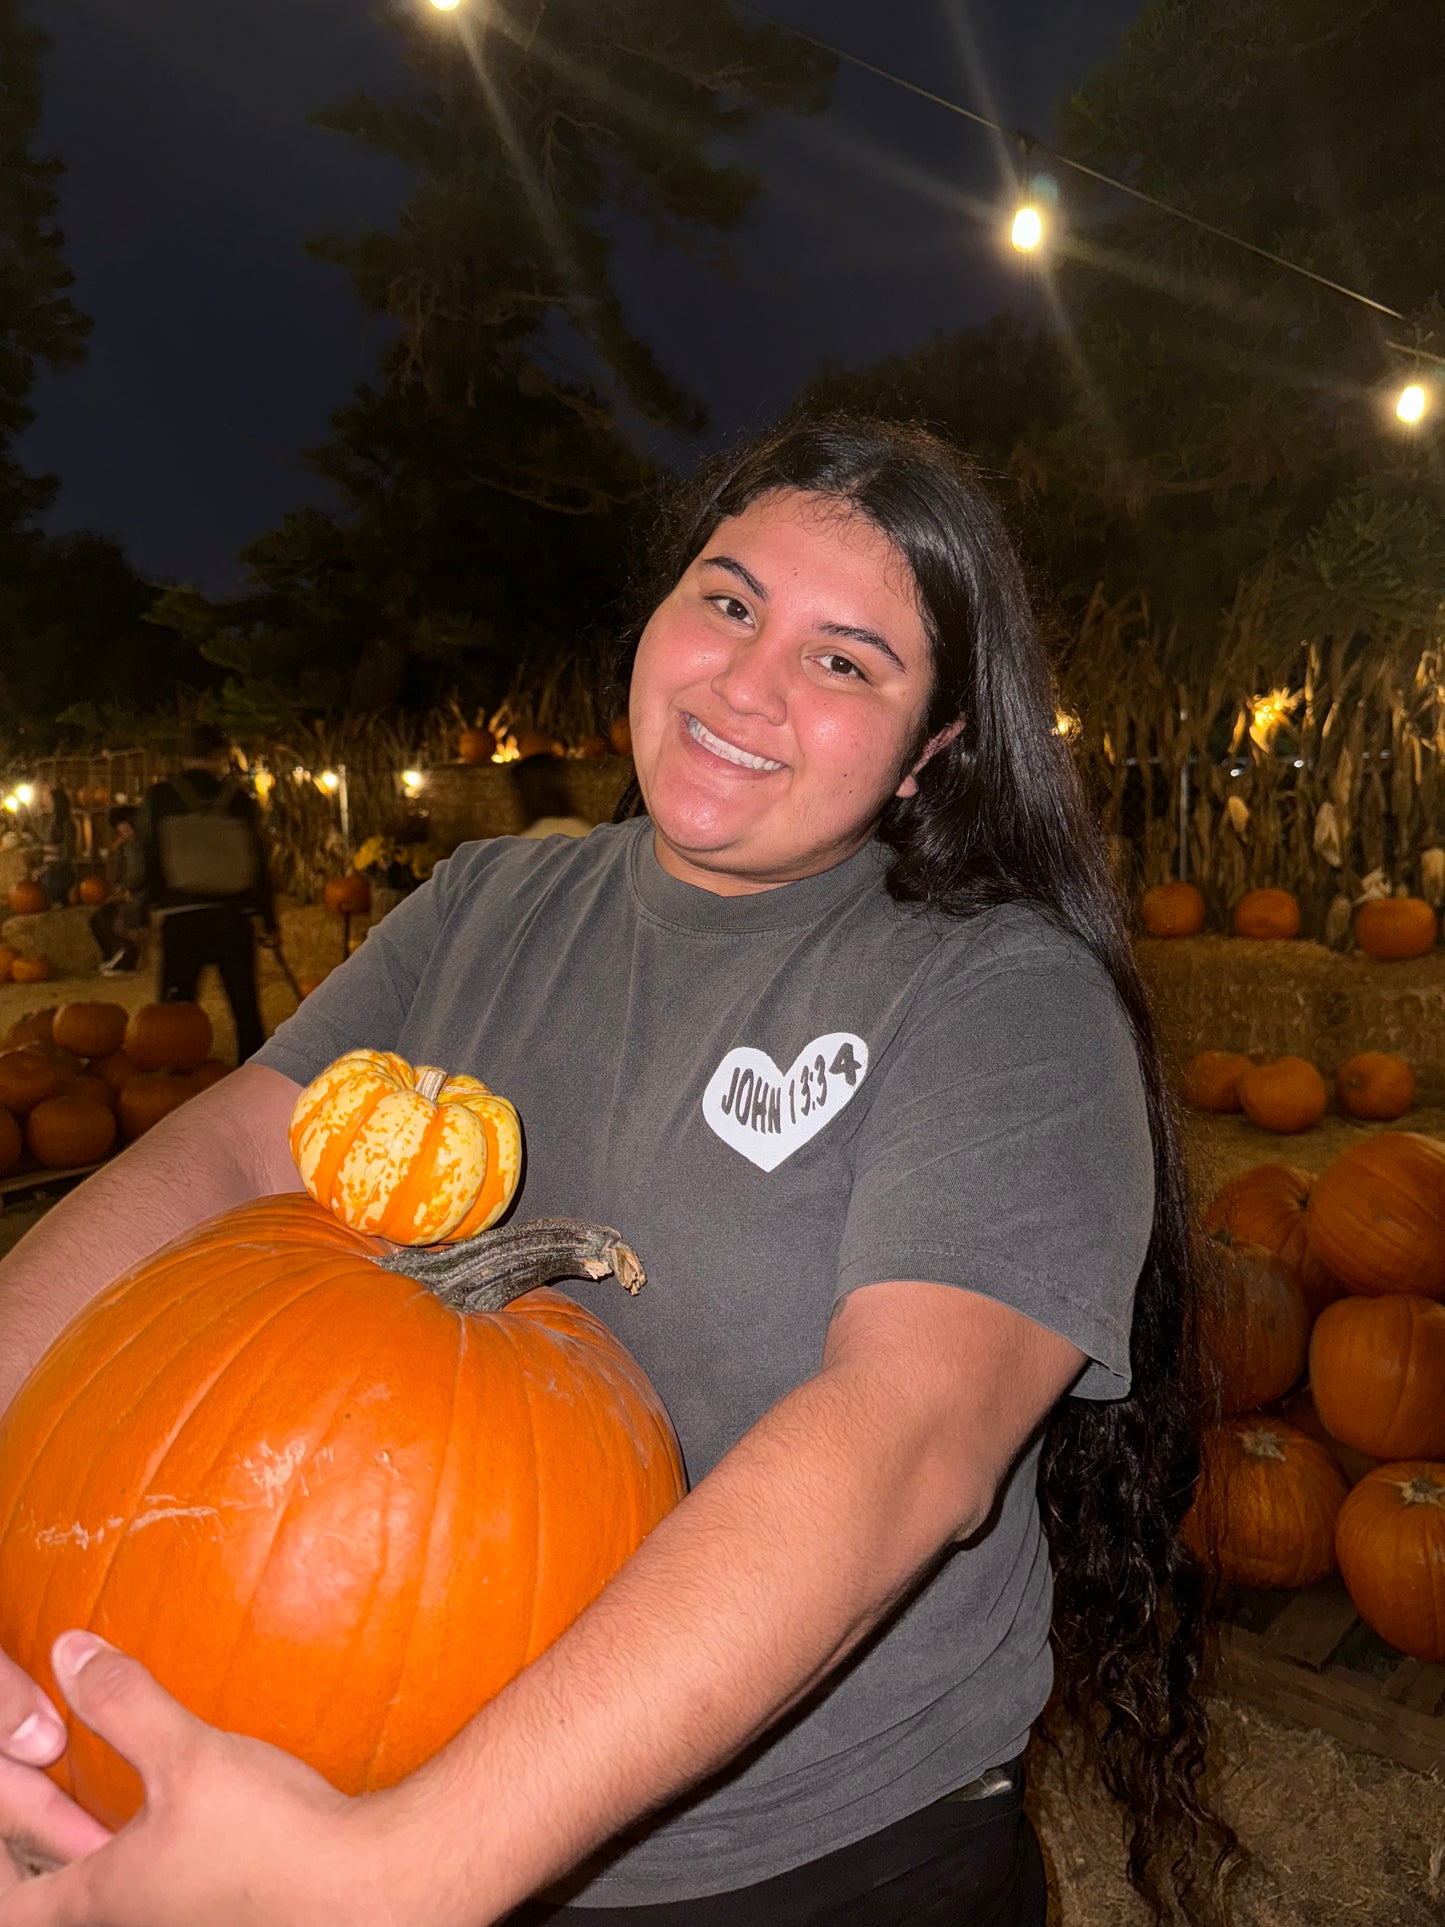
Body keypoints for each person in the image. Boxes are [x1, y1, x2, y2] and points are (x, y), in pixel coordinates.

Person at [0, 420, 1233, 1927]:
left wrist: (401, 1869)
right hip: (362, 1773)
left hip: (791, 1873)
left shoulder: (1003, 1000)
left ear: (936, 749)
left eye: (846, 661)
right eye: (727, 602)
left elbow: (904, 1431)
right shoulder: (487, 903)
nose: (746, 682)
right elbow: (227, 1148)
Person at [139, 723, 277, 1062]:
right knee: (245, 1006)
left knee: (176, 1010)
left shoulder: (161, 797)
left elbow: (149, 855)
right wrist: (267, 919)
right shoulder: (239, 800)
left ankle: (174, 1078)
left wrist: (149, 909)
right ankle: (252, 1077)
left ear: (182, 756)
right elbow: (259, 861)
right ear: (221, 756)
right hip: (233, 916)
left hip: (181, 916)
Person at [90, 807, 147, 975]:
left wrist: (130, 888)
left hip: (141, 894)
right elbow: (118, 873)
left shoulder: (144, 845)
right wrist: (118, 888)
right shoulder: (124, 846)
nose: (123, 830)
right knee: (97, 918)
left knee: (121, 919)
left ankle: (126, 958)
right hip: (126, 892)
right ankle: (111, 955)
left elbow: (143, 872)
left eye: (126, 826)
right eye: (120, 827)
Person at [31, 784, 75, 910]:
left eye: (50, 801)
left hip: (59, 874)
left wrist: (47, 868)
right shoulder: (50, 821)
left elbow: (66, 854)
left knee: (58, 906)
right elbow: (42, 840)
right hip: (49, 872)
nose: (47, 803)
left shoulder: (66, 825)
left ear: (57, 803)